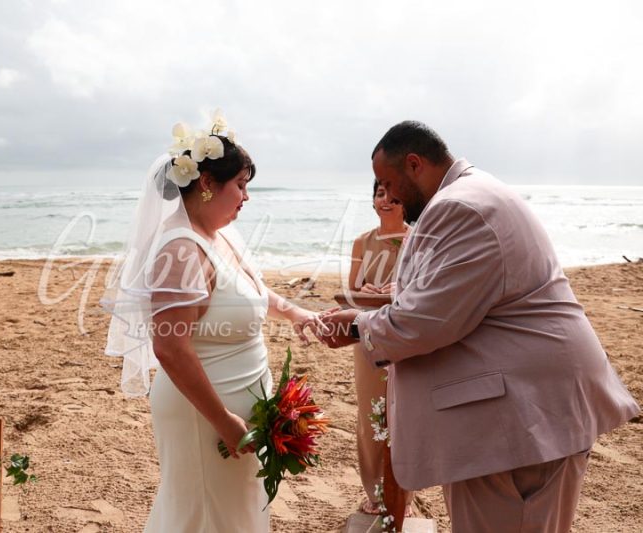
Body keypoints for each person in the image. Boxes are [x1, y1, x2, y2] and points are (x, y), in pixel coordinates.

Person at [319, 121, 640, 532]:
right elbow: (462, 282)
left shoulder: (458, 207)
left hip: (519, 422)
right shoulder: (473, 194)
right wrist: (396, 291)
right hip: (525, 418)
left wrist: (358, 327)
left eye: (387, 181)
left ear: (414, 164)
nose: (388, 195)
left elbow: (427, 321)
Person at [102, 114, 323, 533]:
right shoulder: (180, 251)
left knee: (232, 517)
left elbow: (244, 291)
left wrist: (293, 311)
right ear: (206, 183)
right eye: (240, 185)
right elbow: (169, 347)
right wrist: (223, 419)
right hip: (204, 418)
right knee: (204, 518)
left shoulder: (216, 234)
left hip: (237, 414)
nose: (246, 196)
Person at [347, 181, 411, 515]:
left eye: (393, 195)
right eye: (379, 194)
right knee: (369, 412)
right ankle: (374, 492)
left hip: (407, 338)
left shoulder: (418, 240)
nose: (385, 201)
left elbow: (429, 291)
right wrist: (366, 290)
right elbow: (350, 295)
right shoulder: (361, 242)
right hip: (367, 338)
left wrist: (397, 289)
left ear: (405, 202)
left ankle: (404, 496)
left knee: (405, 413)